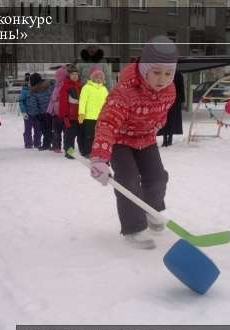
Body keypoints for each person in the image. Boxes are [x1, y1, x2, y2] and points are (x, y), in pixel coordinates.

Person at [88, 36, 178, 249]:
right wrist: (100, 158)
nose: (162, 79)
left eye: (168, 73)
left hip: (145, 138)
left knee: (157, 178)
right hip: (120, 139)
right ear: (145, 69)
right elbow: (107, 123)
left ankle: (150, 210)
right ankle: (134, 227)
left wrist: (156, 127)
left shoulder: (170, 90)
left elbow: (162, 114)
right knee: (127, 181)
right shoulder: (125, 91)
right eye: (156, 72)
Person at [77, 66, 109, 158]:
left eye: (100, 77)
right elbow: (82, 101)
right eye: (96, 77)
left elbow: (107, 103)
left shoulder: (104, 89)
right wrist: (81, 113)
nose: (99, 79)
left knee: (99, 136)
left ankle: (97, 151)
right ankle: (87, 152)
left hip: (101, 117)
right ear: (92, 77)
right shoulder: (86, 88)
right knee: (89, 136)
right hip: (89, 117)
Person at [26, 72, 54, 150]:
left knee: (45, 129)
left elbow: (33, 104)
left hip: (42, 113)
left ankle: (46, 145)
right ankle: (54, 144)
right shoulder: (50, 86)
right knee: (52, 129)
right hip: (52, 111)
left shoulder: (33, 91)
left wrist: (35, 114)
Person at [59, 65, 82, 159]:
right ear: (68, 75)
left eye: (76, 74)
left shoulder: (80, 85)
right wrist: (64, 116)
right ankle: (69, 152)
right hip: (70, 116)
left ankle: (83, 151)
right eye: (72, 74)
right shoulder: (65, 87)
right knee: (70, 136)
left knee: (80, 135)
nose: (75, 76)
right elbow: (63, 103)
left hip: (79, 116)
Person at [158, 70, 184, 147]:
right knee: (170, 119)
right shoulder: (177, 73)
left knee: (166, 119)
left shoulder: (164, 71)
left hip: (166, 99)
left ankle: (166, 139)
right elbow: (181, 88)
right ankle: (168, 139)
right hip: (172, 99)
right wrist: (182, 101)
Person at [47, 66, 67, 153]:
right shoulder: (57, 85)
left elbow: (55, 98)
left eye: (57, 76)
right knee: (56, 131)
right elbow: (52, 99)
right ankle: (56, 146)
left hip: (62, 112)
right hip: (55, 112)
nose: (56, 77)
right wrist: (50, 110)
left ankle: (63, 147)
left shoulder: (64, 86)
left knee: (61, 131)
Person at [18, 73, 35, 149]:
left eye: (30, 82)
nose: (29, 83)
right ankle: (28, 143)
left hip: (37, 113)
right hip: (27, 114)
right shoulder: (24, 91)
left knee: (38, 129)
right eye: (27, 82)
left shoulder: (37, 89)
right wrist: (24, 112)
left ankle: (37, 143)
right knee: (28, 129)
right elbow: (21, 101)